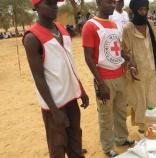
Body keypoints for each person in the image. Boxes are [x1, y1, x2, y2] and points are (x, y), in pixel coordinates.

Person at [22, 0, 89, 158]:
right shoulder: (32, 38)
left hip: (71, 99)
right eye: (49, 3)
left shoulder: (61, 29)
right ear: (36, 7)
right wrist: (54, 111)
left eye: (55, 3)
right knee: (57, 148)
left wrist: (81, 91)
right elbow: (38, 77)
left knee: (76, 145)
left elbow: (69, 65)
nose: (54, 7)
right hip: (54, 105)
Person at [82, 0, 134, 157]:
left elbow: (117, 50)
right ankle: (108, 147)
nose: (112, 5)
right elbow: (88, 58)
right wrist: (100, 83)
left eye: (114, 2)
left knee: (121, 110)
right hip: (104, 79)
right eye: (109, 1)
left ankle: (121, 138)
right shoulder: (90, 26)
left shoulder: (114, 24)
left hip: (119, 75)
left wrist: (128, 58)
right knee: (105, 115)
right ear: (98, 2)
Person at [122, 0, 156, 135]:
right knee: (140, 102)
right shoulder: (128, 28)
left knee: (153, 101)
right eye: (140, 10)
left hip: (152, 71)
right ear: (134, 11)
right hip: (137, 74)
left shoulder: (150, 24)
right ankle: (141, 130)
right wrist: (131, 67)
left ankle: (153, 131)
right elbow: (125, 50)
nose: (143, 12)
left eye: (145, 9)